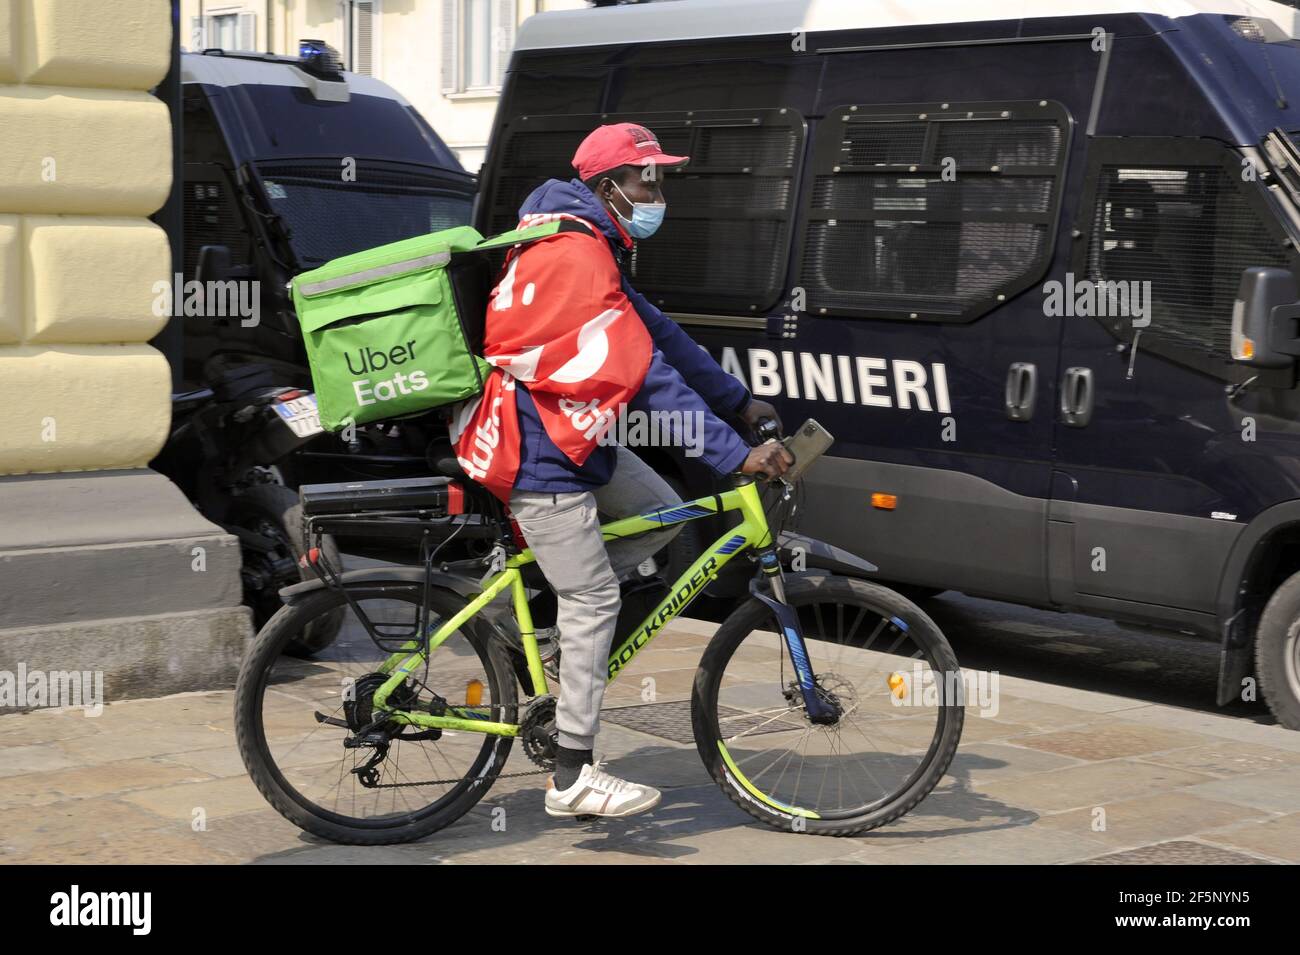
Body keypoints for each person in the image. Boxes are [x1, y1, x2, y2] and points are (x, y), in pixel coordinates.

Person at [451, 122, 791, 819]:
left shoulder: (584, 242)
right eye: (647, 179)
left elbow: (658, 336)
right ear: (609, 187)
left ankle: (539, 627)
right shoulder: (575, 255)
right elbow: (643, 376)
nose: (657, 192)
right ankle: (572, 773)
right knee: (596, 599)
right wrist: (733, 454)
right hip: (539, 448)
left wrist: (737, 401)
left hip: (574, 438)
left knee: (661, 513)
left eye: (659, 178)